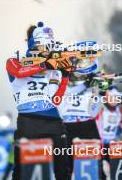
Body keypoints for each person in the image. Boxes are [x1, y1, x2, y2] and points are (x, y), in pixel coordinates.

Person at [6, 22, 73, 180]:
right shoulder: (14, 60)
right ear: (34, 44)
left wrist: (65, 76)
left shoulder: (53, 69)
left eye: (50, 47)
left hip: (53, 122)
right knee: (20, 171)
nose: (48, 51)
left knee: (63, 170)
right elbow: (19, 71)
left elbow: (55, 100)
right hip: (28, 122)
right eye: (45, 47)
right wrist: (45, 64)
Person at [59, 56, 101, 178]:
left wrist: (99, 91)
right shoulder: (63, 83)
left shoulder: (91, 83)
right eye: (76, 68)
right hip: (68, 126)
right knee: (67, 162)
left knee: (96, 158)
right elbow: (68, 94)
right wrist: (85, 85)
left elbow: (94, 112)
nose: (79, 72)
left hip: (87, 124)